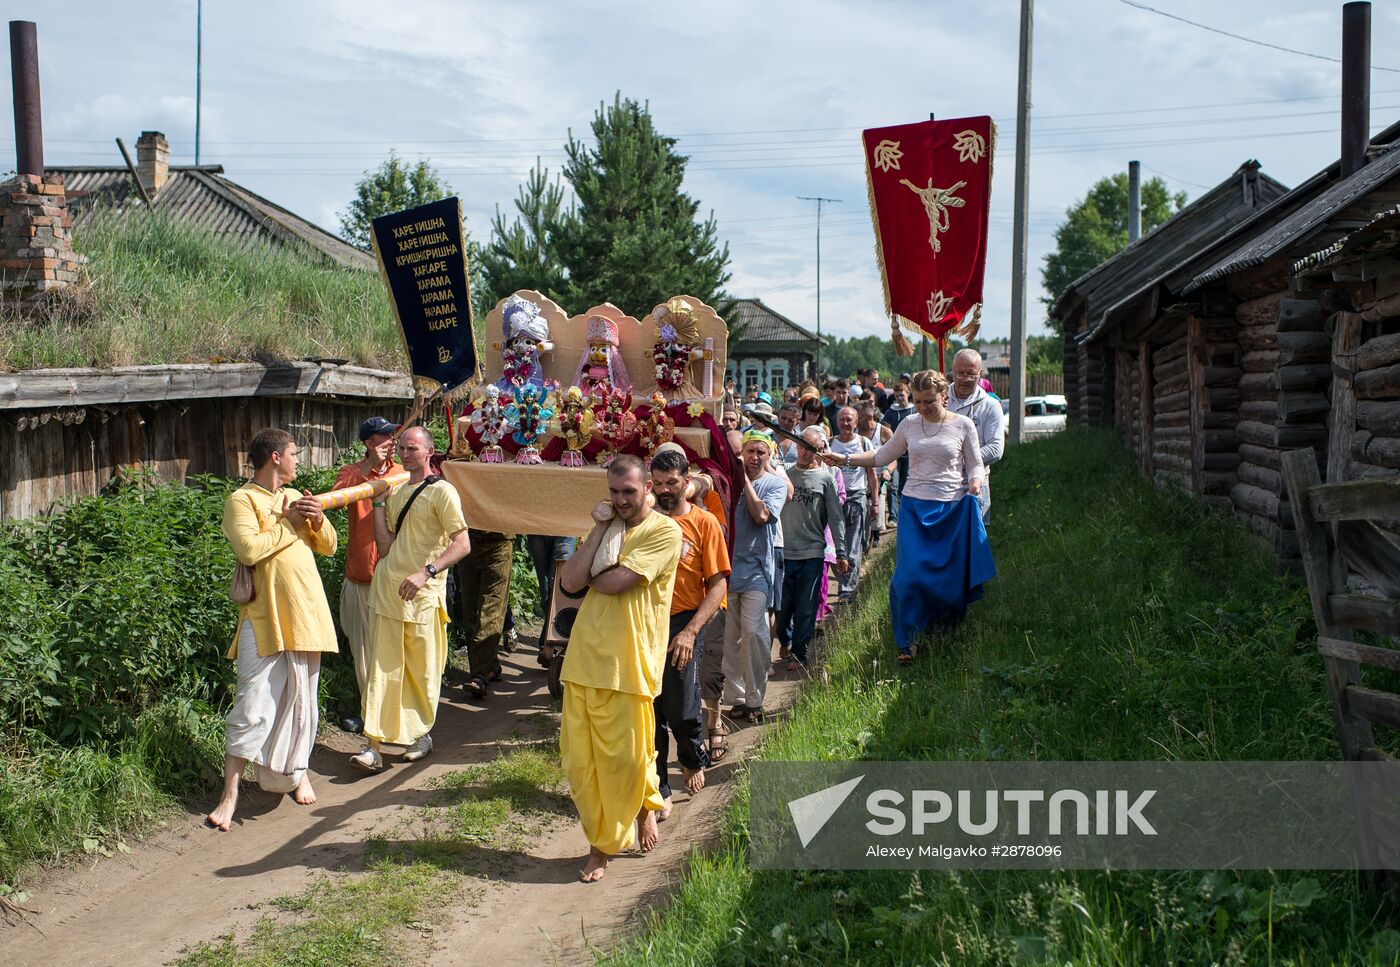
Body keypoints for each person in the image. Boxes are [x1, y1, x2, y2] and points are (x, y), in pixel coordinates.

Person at [558, 455, 682, 883]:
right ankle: (609, 837)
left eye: (629, 491)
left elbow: (614, 583)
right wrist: (599, 528)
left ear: (648, 487)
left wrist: (592, 575)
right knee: (581, 764)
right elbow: (569, 582)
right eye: (613, 491)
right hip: (584, 658)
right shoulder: (606, 526)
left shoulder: (665, 531)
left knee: (626, 760)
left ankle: (629, 821)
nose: (621, 499)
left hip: (631, 662)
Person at [208, 429, 338, 830]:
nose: (299, 459)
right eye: (294, 453)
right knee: (252, 704)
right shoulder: (242, 500)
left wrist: (317, 520)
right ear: (276, 457)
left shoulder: (294, 494)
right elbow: (248, 550)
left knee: (303, 702)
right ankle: (230, 795)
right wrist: (290, 522)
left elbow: (329, 546)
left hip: (306, 612)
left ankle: (298, 773)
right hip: (264, 617)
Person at [823, 371, 994, 663]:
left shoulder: (963, 425)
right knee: (908, 576)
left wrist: (975, 483)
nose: (922, 407)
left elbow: (976, 464)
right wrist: (845, 459)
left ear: (944, 397)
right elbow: (881, 456)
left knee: (948, 578)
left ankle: (941, 627)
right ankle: (909, 639)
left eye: (929, 401)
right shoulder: (909, 424)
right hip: (914, 508)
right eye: (917, 401)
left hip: (951, 509)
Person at [352, 427, 472, 771]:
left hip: (422, 597)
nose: (405, 454)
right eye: (402, 448)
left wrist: (426, 572)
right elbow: (386, 546)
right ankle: (373, 745)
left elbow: (462, 544)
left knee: (422, 671)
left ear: (429, 451)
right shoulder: (398, 491)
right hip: (388, 591)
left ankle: (420, 735)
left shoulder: (443, 492)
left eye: (412, 448)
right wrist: (378, 503)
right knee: (382, 671)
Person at [649, 448, 729, 818]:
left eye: (672, 482)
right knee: (650, 710)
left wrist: (691, 631)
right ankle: (659, 788)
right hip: (645, 623)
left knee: (681, 708)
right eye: (658, 483)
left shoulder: (704, 523)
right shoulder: (644, 520)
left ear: (687, 481)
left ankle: (691, 756)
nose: (665, 490)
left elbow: (718, 584)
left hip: (684, 622)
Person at [332, 416, 400, 727]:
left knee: (392, 653)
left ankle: (392, 716)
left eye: (393, 435)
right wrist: (369, 468)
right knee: (363, 654)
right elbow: (336, 499)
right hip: (361, 576)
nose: (392, 441)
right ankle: (371, 717)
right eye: (385, 436)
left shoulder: (402, 473)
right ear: (369, 443)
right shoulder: (351, 472)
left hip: (395, 578)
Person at [722, 431, 788, 723]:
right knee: (730, 640)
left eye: (761, 452)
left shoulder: (774, 484)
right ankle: (737, 699)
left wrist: (744, 480)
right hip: (726, 571)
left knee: (754, 634)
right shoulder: (726, 482)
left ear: (769, 455)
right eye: (750, 451)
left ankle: (755, 699)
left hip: (757, 572)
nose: (755, 457)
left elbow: (761, 516)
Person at [777, 427, 848, 671]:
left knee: (806, 607)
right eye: (801, 446)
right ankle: (785, 639)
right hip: (784, 552)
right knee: (782, 607)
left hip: (812, 552)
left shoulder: (826, 479)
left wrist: (841, 552)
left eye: (811, 449)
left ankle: (799, 653)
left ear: (820, 451)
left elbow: (836, 517)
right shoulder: (784, 474)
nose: (805, 453)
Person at [453, 528, 513, 698]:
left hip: (499, 543)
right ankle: (490, 667)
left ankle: (479, 675)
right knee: (471, 611)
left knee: (490, 611)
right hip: (468, 542)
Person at [948, 348, 1004, 524]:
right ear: (953, 371)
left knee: (973, 538)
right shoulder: (939, 400)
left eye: (971, 374)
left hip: (975, 486)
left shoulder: (990, 406)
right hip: (942, 487)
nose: (965, 379)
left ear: (980, 373)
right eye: (960, 373)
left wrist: (958, 460)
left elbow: (995, 449)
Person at [829, 407, 877, 600]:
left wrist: (875, 502)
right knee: (833, 545)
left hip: (856, 498)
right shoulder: (830, 443)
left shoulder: (863, 443)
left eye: (849, 419)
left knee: (853, 545)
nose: (845, 423)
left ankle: (847, 589)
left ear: (857, 422)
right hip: (833, 499)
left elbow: (872, 474)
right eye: (842, 419)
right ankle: (844, 580)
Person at [881, 383, 915, 520]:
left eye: (902, 395)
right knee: (893, 485)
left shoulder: (914, 410)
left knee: (906, 485)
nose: (900, 398)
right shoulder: (890, 412)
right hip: (894, 453)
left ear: (908, 394)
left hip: (910, 453)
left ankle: (905, 514)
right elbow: (885, 429)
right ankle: (893, 516)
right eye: (897, 396)